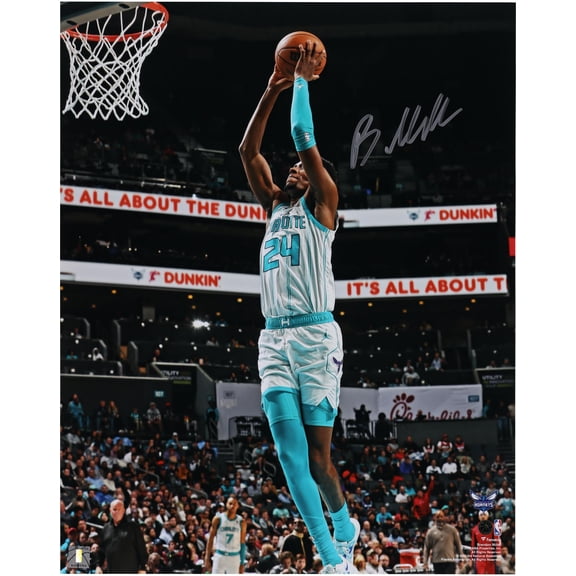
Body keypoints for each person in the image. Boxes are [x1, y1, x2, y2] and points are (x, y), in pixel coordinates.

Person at [238, 39, 360, 574]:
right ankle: (332, 557)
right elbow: (248, 152)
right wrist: (272, 88)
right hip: (273, 337)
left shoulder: (323, 204)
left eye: (301, 169)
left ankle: (346, 525)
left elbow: (302, 136)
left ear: (317, 179)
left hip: (315, 336)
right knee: (290, 455)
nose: (292, 170)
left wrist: (303, 81)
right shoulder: (272, 206)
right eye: (290, 168)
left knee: (317, 459)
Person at [94, 498, 148, 573]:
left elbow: (141, 548)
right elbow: (101, 550)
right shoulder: (106, 528)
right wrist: (98, 566)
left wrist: (142, 568)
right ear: (110, 510)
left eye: (119, 509)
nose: (117, 512)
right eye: (114, 509)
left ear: (123, 510)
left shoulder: (133, 527)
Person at [204, 495, 247, 574]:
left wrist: (242, 563)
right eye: (230, 503)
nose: (232, 506)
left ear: (238, 506)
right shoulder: (218, 519)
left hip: (234, 557)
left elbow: (242, 542)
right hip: (220, 555)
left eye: (235, 504)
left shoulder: (242, 522)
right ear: (226, 504)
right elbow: (210, 539)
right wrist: (207, 557)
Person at [470, 510, 501, 574]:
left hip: (491, 556)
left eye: (484, 515)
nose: (483, 516)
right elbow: (473, 545)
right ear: (479, 517)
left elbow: (497, 542)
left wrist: (498, 555)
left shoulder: (494, 527)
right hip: (480, 557)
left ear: (487, 516)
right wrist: (471, 558)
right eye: (481, 515)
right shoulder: (474, 529)